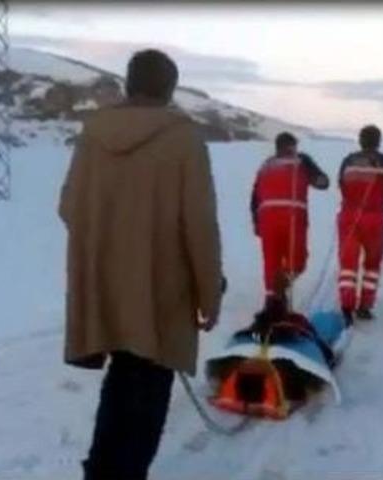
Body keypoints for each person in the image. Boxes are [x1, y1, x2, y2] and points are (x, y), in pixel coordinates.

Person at [58, 49, 224, 480]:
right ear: (169, 90)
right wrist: (209, 294)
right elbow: (199, 226)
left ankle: (100, 473)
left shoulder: (94, 133)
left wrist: (111, 243)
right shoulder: (184, 139)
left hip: (106, 284)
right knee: (147, 395)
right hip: (160, 292)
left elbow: (69, 206)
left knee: (121, 383)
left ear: (129, 84)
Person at [250, 132, 328, 304]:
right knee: (297, 260)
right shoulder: (301, 161)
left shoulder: (266, 166)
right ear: (291, 146)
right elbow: (323, 182)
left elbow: (255, 197)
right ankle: (280, 288)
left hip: (267, 219)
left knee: (271, 261)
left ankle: (273, 299)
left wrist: (256, 222)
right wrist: (316, 177)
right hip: (292, 218)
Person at [336, 125, 383, 325]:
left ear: (360, 140)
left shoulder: (348, 160)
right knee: (372, 265)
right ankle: (365, 306)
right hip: (374, 219)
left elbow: (341, 184)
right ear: (378, 141)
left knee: (348, 265)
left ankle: (346, 306)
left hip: (349, 217)